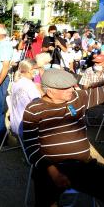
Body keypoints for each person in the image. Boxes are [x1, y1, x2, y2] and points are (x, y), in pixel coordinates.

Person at [23, 68, 104, 206]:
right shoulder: (34, 109)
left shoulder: (78, 97)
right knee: (47, 199)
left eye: (72, 86)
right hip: (51, 168)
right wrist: (54, 173)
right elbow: (31, 147)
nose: (71, 89)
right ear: (50, 91)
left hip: (83, 165)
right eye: (65, 88)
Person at [10, 59, 41, 137]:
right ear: (29, 70)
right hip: (25, 128)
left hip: (15, 125)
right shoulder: (29, 85)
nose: (38, 71)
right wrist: (37, 80)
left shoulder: (16, 82)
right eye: (36, 68)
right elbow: (39, 104)